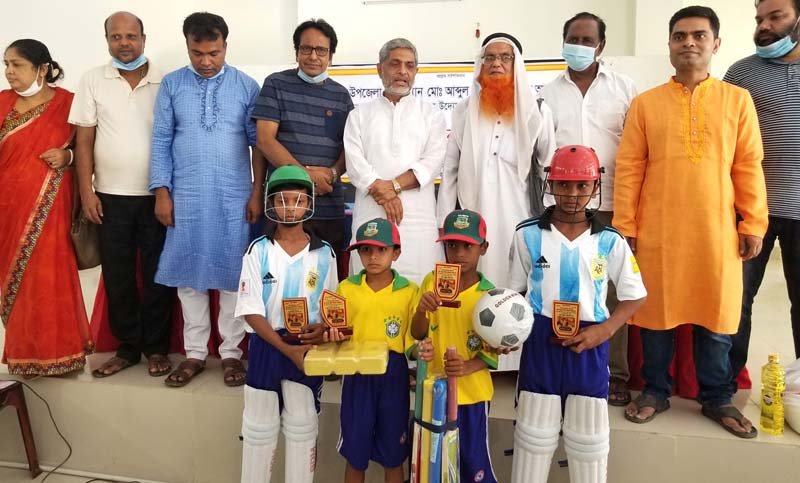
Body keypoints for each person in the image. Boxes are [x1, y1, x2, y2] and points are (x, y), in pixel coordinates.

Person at [613, 6, 768, 438]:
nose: (689, 43)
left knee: (715, 317)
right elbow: (629, 168)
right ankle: (654, 391)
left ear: (716, 43)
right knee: (656, 316)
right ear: (669, 45)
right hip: (658, 231)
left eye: (699, 35)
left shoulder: (737, 101)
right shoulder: (646, 104)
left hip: (716, 231)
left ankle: (717, 396)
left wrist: (753, 222)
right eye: (680, 36)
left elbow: (748, 165)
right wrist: (625, 227)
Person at [508, 145, 646, 483]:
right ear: (550, 184)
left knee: (589, 441)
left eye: (582, 185)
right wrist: (507, 334)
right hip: (540, 341)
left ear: (596, 186)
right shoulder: (527, 234)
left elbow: (635, 295)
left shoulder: (610, 240)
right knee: (533, 435)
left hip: (591, 343)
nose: (572, 194)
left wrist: (605, 331)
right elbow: (514, 295)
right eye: (564, 185)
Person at [149, 12, 266, 387]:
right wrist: (162, 191)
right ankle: (195, 353)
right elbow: (161, 140)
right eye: (197, 53)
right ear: (187, 46)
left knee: (232, 274)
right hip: (186, 195)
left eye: (213, 53)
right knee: (189, 277)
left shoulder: (247, 86)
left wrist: (256, 191)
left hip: (234, 195)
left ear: (225, 46)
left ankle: (231, 353)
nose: (205, 61)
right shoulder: (172, 85)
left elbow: (258, 144)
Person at [539, 12, 639, 406]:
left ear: (601, 46)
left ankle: (615, 372)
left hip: (610, 203)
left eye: (587, 40)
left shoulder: (624, 89)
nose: (579, 46)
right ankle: (561, 358)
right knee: (564, 282)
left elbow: (636, 149)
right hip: (561, 204)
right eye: (573, 39)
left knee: (610, 288)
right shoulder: (548, 93)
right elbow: (542, 153)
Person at [69, 11, 173, 378]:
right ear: (107, 40)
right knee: (118, 276)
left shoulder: (167, 81)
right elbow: (84, 141)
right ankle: (128, 348)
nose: (124, 43)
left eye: (131, 36)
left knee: (158, 275)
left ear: (144, 39)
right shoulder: (92, 80)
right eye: (116, 37)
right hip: (109, 197)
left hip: (157, 196)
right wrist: (87, 192)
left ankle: (157, 348)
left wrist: (167, 193)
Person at [235, 166, 337, 483]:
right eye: (282, 200)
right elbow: (251, 312)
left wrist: (322, 331)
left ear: (309, 205)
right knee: (259, 426)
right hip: (267, 344)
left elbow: (330, 311)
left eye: (298, 200)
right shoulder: (258, 250)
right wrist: (284, 348)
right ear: (271, 204)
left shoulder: (325, 254)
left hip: (305, 347)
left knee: (302, 425)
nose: (290, 207)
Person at [0, 39, 92, 376]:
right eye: (6, 64)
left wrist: (67, 156)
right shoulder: (2, 103)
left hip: (50, 205)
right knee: (15, 280)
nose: (9, 71)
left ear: (42, 69)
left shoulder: (69, 103)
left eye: (17, 65)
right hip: (7, 208)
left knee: (48, 276)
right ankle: (25, 355)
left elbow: (91, 150)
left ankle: (60, 353)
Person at [436, 32, 556, 289]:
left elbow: (549, 170)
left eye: (505, 57)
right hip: (473, 216)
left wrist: (551, 220)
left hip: (521, 216)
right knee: (476, 285)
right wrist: (444, 220)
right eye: (489, 58)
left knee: (518, 283)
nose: (496, 64)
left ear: (517, 64)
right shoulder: (464, 111)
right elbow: (450, 170)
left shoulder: (537, 112)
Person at [724, 0, 800, 390]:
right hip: (750, 210)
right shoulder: (741, 73)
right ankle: (727, 381)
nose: (764, 26)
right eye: (759, 19)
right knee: (737, 298)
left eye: (775, 16)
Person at [254, 19, 353, 273]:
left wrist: (332, 174)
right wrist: (306, 178)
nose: (313, 56)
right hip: (285, 206)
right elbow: (265, 140)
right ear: (296, 51)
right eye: (306, 48)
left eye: (321, 50)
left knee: (325, 278)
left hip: (329, 207)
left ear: (331, 55)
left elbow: (351, 147)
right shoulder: (275, 84)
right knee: (278, 277)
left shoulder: (341, 95)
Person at [344, 38, 446, 284]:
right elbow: (355, 164)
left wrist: (393, 187)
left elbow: (433, 161)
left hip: (417, 220)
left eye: (409, 66)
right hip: (371, 213)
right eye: (395, 64)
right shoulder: (359, 115)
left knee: (421, 286)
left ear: (416, 71)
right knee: (367, 288)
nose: (403, 71)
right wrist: (387, 195)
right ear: (380, 69)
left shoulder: (432, 115)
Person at [327, 217, 417, 483]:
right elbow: (337, 333)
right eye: (366, 250)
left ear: (396, 253)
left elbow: (413, 341)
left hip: (393, 374)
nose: (373, 257)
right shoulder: (346, 288)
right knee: (356, 455)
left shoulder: (409, 291)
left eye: (381, 249)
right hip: (357, 373)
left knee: (394, 454)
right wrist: (334, 337)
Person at [411, 209, 498, 483]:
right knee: (434, 465)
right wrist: (421, 310)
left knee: (473, 465)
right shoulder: (431, 282)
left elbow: (493, 353)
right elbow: (417, 333)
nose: (459, 253)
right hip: (433, 394)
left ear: (483, 248)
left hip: (472, 396)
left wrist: (467, 366)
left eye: (467, 246)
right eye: (452, 245)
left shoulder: (489, 295)